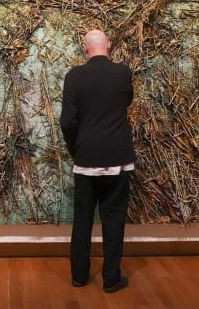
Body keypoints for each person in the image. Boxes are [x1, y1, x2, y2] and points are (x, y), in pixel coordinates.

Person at [59, 29, 135, 293]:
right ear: (109, 46)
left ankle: (79, 276)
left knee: (82, 221)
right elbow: (126, 102)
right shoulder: (123, 74)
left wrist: (76, 148)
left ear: (85, 48)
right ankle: (111, 279)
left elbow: (67, 121)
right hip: (117, 158)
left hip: (86, 158)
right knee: (114, 220)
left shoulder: (74, 76)